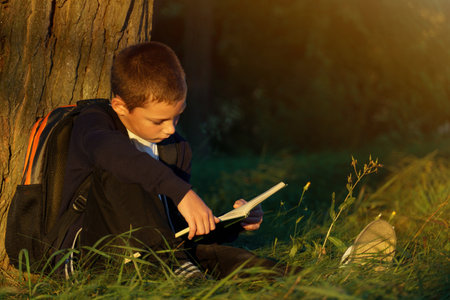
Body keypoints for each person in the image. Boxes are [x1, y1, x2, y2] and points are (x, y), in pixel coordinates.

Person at [59, 41, 280, 279]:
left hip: (159, 249)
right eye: (158, 121)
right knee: (124, 167)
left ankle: (291, 282)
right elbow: (110, 153)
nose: (170, 130)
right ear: (120, 106)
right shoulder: (95, 122)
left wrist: (234, 223)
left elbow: (177, 227)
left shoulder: (176, 147)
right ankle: (178, 270)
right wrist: (181, 191)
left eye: (177, 117)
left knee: (247, 265)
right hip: (90, 254)